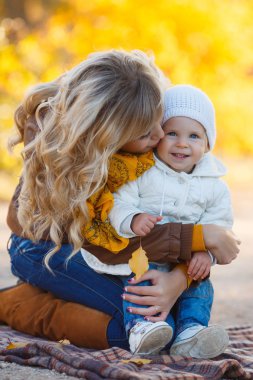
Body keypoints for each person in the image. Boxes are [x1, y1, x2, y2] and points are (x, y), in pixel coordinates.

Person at [0, 50, 240, 354]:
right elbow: (107, 244)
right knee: (130, 326)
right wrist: (197, 237)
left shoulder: (141, 107)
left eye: (159, 120)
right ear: (108, 138)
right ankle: (15, 303)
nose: (159, 136)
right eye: (144, 133)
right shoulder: (66, 152)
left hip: (110, 251)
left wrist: (180, 280)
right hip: (46, 247)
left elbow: (178, 206)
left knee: (165, 315)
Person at [82, 84, 232, 356]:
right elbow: (119, 201)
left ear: (208, 143)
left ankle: (192, 331)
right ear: (159, 134)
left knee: (200, 286)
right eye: (172, 133)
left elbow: (219, 223)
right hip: (146, 254)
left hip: (185, 262)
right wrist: (133, 218)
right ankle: (141, 328)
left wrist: (205, 255)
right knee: (138, 280)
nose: (182, 143)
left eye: (194, 136)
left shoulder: (215, 186)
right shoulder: (143, 170)